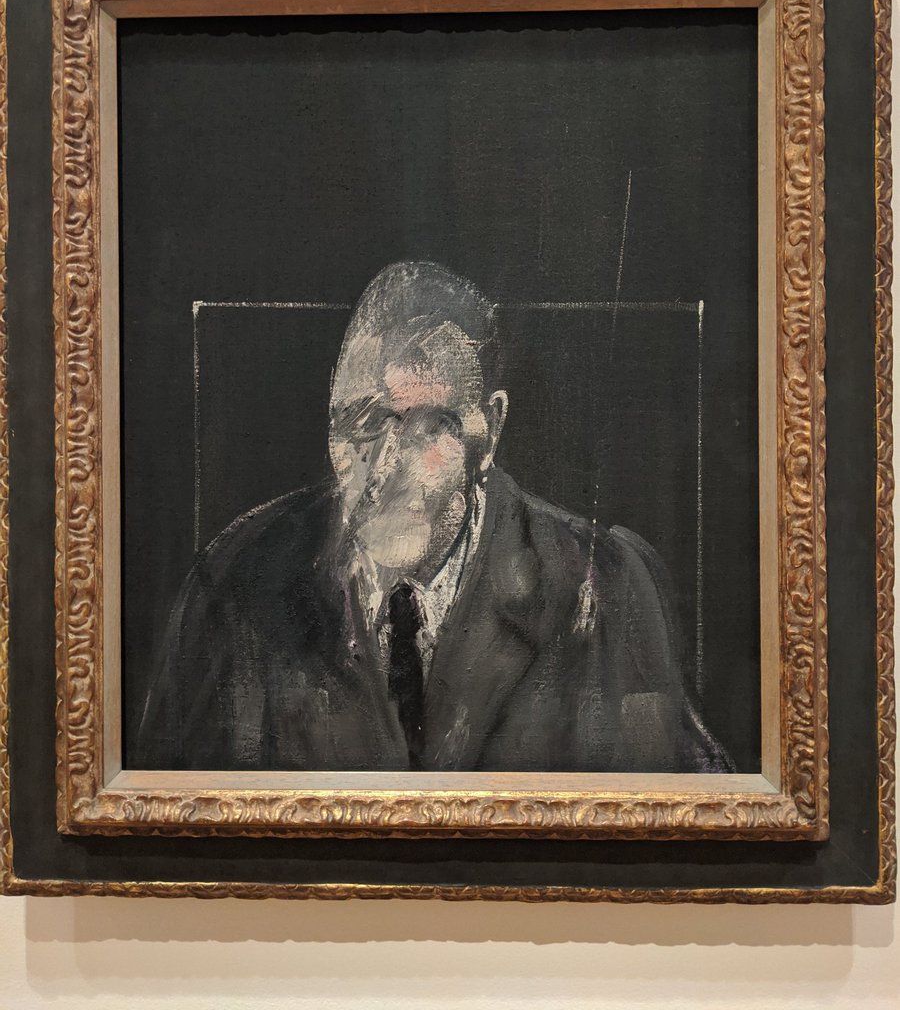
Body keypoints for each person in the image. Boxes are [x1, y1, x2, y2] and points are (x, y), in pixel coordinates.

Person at [136, 260, 731, 772]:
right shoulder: (236, 582)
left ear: (488, 430)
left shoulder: (602, 587)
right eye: (360, 424)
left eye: (428, 427)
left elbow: (687, 814)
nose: (382, 471)